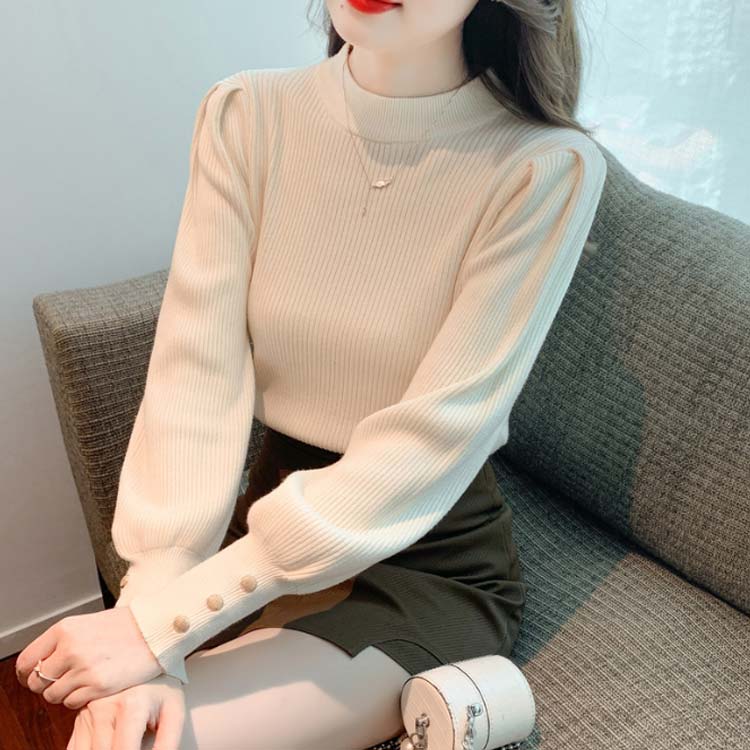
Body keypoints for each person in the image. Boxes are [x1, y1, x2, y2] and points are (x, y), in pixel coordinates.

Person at [27, 1, 608, 748]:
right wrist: (152, 605)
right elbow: (194, 376)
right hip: (259, 528)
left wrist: (157, 629)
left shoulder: (544, 168)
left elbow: (431, 443)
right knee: (119, 721)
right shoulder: (246, 114)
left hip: (421, 558)